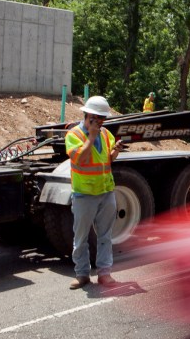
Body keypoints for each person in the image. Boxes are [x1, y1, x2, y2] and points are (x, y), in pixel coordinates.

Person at [65, 96, 122, 290]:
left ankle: (104, 273)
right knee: (80, 237)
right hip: (84, 194)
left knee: (105, 235)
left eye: (103, 119)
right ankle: (82, 274)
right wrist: (90, 136)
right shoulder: (74, 135)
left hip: (106, 191)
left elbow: (107, 160)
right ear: (88, 115)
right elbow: (80, 159)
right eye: (98, 118)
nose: (101, 122)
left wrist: (116, 151)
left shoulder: (106, 134)